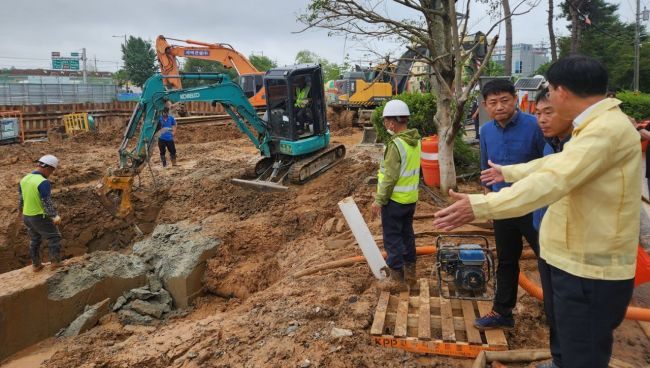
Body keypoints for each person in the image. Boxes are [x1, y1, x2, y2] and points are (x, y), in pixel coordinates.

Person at [434, 55, 640, 368]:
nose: (548, 105)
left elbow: (554, 179)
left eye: (551, 93)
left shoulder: (605, 131)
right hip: (574, 257)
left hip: (588, 267)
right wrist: (508, 173)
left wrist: (481, 205)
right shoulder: (597, 127)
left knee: (583, 352)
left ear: (563, 92)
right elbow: (553, 164)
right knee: (571, 340)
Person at [475, 79, 545, 330]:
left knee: (547, 258)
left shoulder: (535, 126)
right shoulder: (486, 131)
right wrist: (488, 201)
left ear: (515, 99)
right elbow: (485, 167)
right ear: (485, 105)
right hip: (503, 206)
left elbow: (547, 165)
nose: (499, 106)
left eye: (505, 100)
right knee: (506, 260)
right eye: (493, 102)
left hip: (533, 205)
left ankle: (556, 310)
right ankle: (502, 312)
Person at [370, 100, 421, 292]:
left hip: (395, 201)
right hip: (410, 199)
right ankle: (411, 274)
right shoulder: (415, 141)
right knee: (407, 235)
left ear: (393, 122)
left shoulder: (396, 145)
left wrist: (378, 201)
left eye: (386, 121)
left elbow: (390, 178)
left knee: (392, 239)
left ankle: (397, 279)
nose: (385, 125)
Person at [19, 155, 62, 272]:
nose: (51, 173)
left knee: (35, 239)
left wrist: (22, 212)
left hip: (27, 215)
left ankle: (36, 265)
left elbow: (21, 199)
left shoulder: (24, 179)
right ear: (47, 168)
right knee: (54, 236)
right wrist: (54, 215)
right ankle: (55, 263)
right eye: (52, 170)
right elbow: (46, 202)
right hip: (39, 216)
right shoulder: (43, 182)